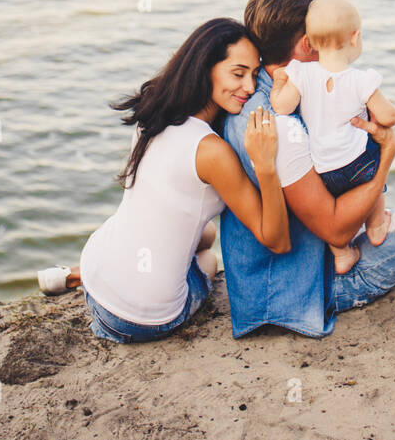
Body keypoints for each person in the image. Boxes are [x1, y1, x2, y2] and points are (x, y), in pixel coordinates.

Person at [220, 0, 395, 338]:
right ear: (307, 43)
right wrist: (387, 156)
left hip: (291, 272)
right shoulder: (278, 125)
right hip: (313, 289)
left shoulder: (269, 90)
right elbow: (335, 229)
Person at [43, 18, 290, 342]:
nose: (248, 87)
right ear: (205, 68)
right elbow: (278, 241)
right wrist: (266, 166)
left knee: (203, 233)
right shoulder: (211, 152)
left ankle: (72, 276)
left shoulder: (154, 108)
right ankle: (79, 278)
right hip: (138, 320)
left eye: (255, 76)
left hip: (97, 273)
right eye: (238, 73)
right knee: (208, 257)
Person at [270, 0, 395, 274]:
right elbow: (390, 117)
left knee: (338, 199)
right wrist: (379, 117)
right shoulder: (361, 80)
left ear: (312, 42)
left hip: (324, 171)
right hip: (359, 164)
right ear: (355, 38)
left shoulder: (301, 74)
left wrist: (280, 83)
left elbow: (281, 106)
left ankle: (341, 254)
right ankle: (376, 225)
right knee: (375, 159)